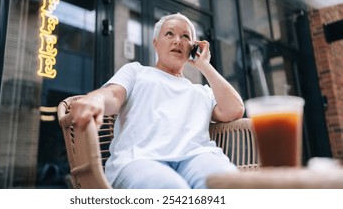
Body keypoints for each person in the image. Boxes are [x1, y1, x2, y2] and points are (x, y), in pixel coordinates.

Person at [69, 13, 245, 189]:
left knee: (228, 184)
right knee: (172, 189)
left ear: (193, 47)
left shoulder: (202, 91)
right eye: (169, 34)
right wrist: (96, 99)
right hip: (140, 159)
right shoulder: (136, 71)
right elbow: (113, 95)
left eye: (185, 36)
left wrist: (204, 65)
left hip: (197, 157)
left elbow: (235, 109)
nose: (178, 40)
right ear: (155, 43)